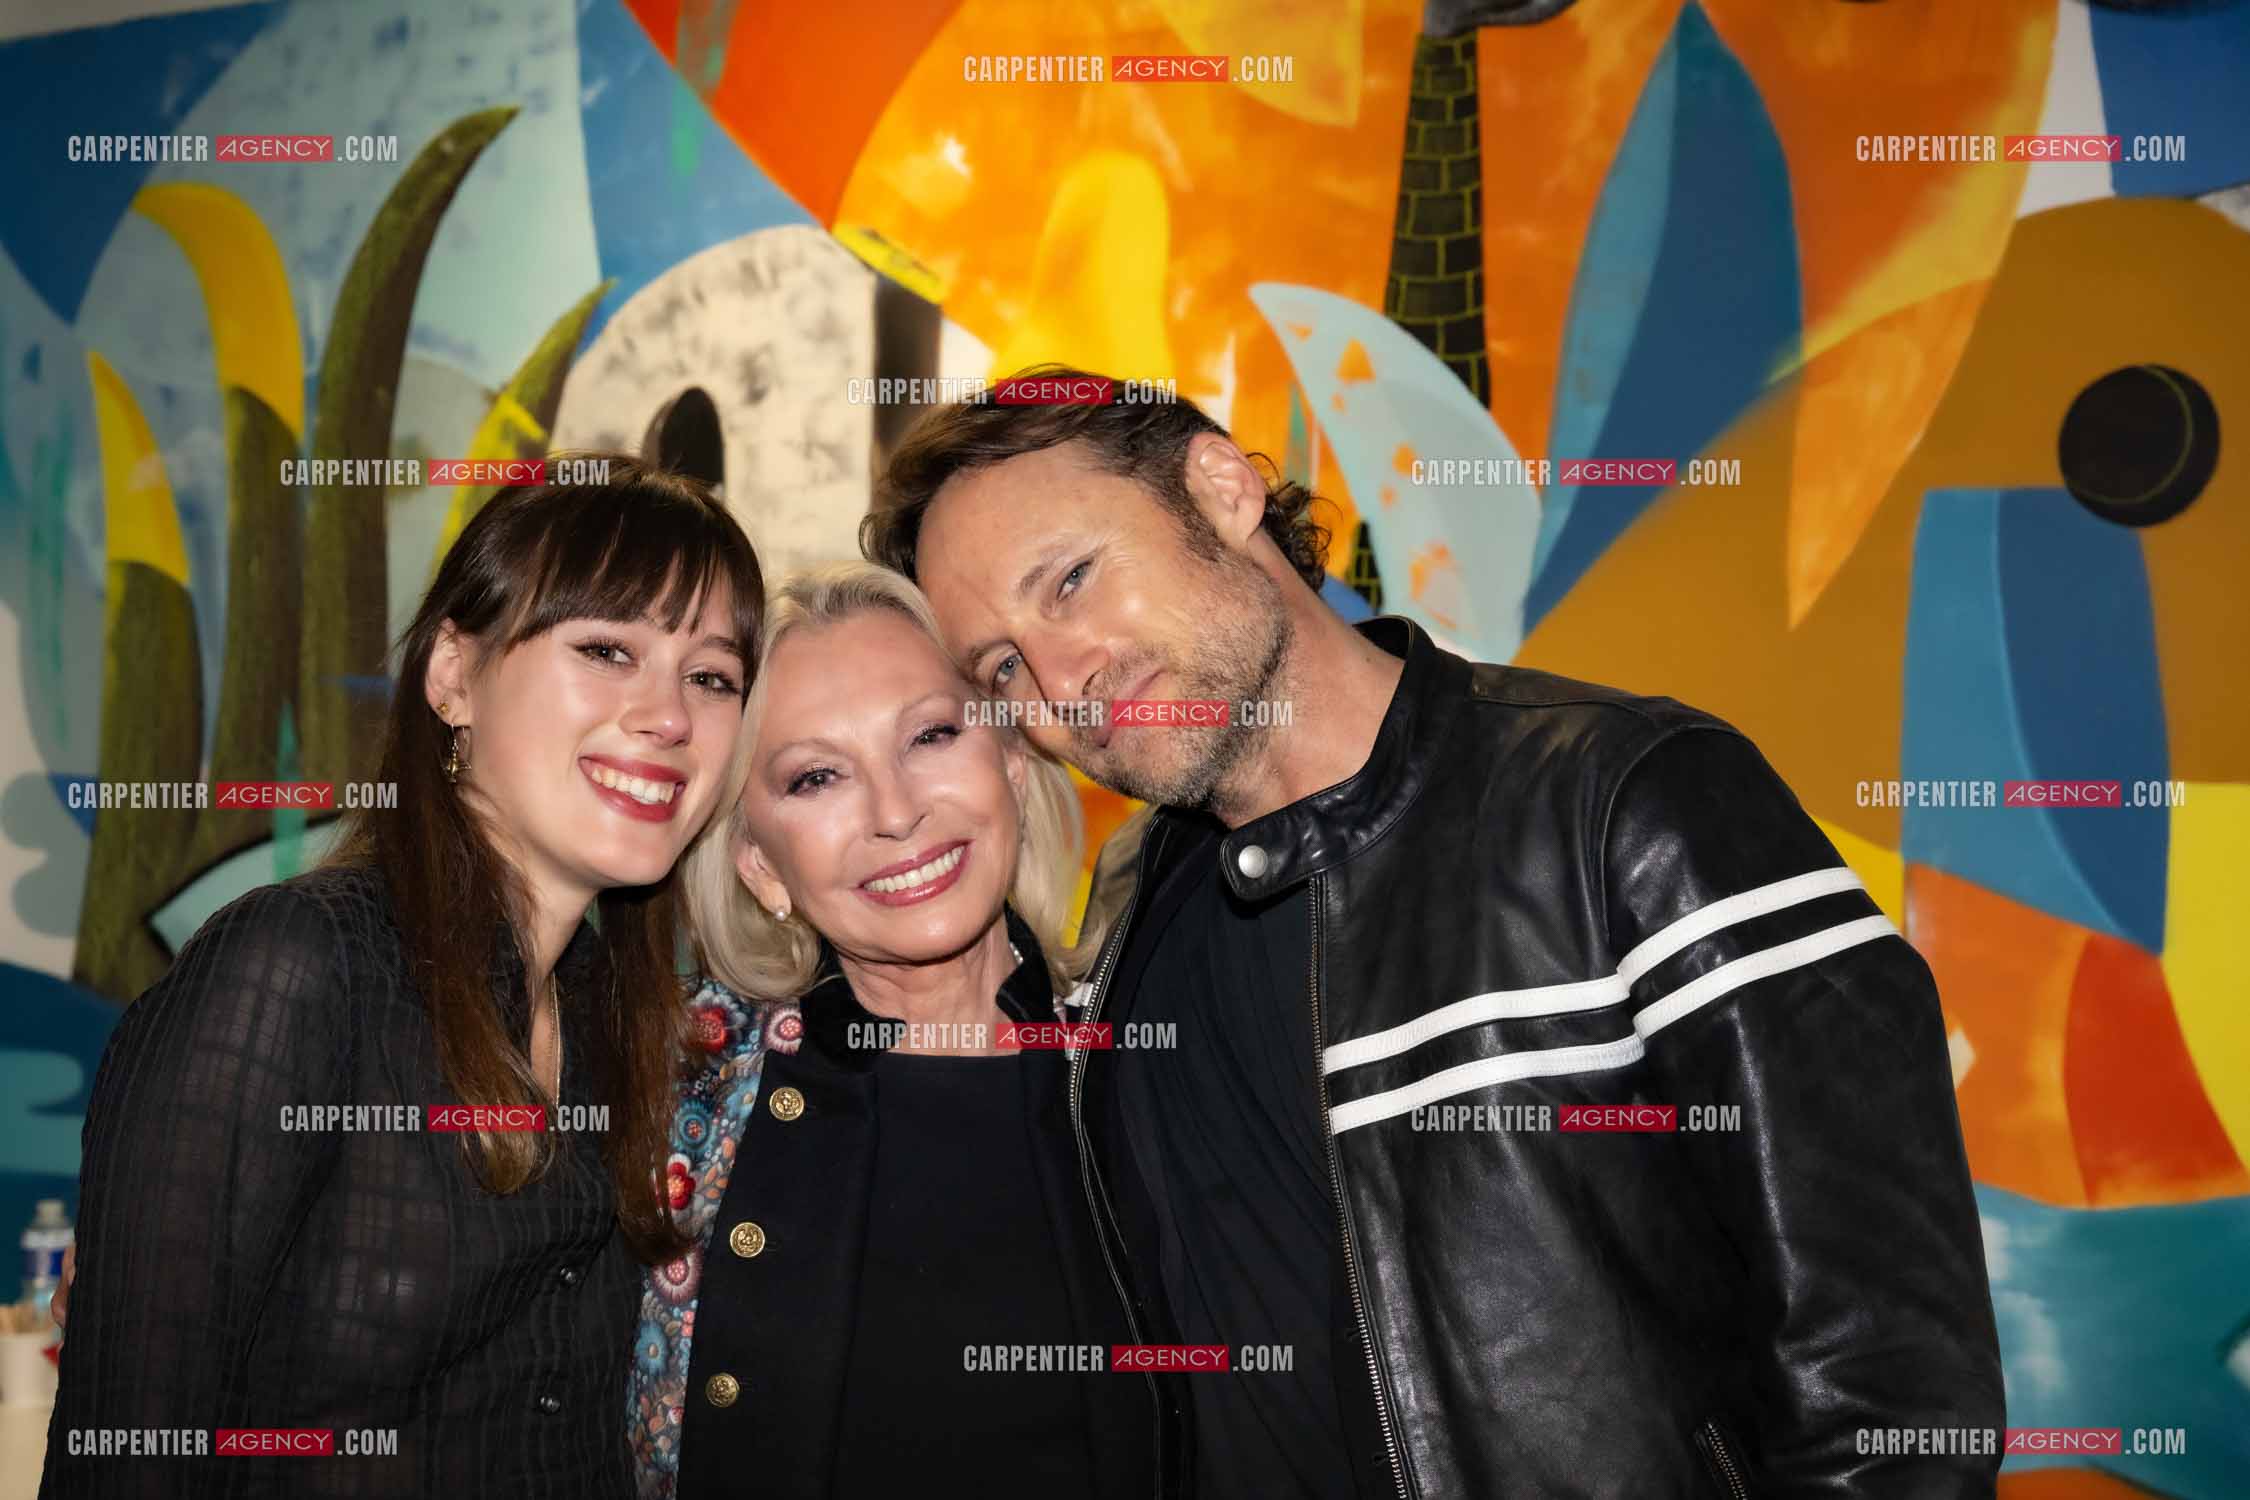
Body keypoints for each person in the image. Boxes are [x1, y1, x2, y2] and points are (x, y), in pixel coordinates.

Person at [858, 367, 2009, 1498]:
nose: (1063, 679)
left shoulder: (1626, 803)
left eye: (1070, 581)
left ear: (1221, 488)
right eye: (1002, 665)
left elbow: (1894, 1408)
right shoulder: (1132, 930)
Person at [42, 456, 764, 1498]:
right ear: (452, 676)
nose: (669, 715)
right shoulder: (295, 970)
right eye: (607, 649)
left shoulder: (621, 1019)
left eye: (713, 677)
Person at [626, 562, 1167, 1500]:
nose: (896, 812)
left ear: (1011, 761)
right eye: (817, 777)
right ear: (760, 866)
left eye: (930, 735)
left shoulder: (1158, 1061)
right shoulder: (675, 1094)